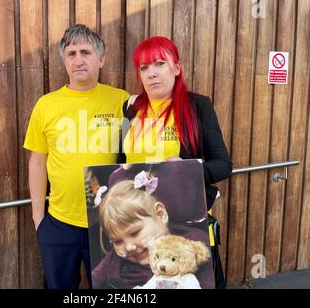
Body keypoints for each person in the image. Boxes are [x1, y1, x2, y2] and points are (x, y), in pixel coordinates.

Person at [119, 36, 233, 288]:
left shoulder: (198, 106)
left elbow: (223, 164)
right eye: (144, 67)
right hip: (139, 227)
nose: (151, 73)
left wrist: (187, 169)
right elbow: (121, 163)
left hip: (185, 225)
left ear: (177, 68)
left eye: (160, 63)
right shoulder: (131, 108)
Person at [23, 24, 130, 289]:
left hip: (108, 222)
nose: (78, 59)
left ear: (101, 59)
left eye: (86, 52)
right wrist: (39, 219)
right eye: (71, 53)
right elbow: (37, 162)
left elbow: (134, 155)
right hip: (59, 222)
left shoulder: (122, 101)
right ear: (65, 60)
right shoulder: (46, 105)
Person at [92, 172, 213, 289]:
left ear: (160, 214)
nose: (129, 247)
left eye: (135, 232)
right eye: (117, 241)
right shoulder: (113, 262)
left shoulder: (191, 246)